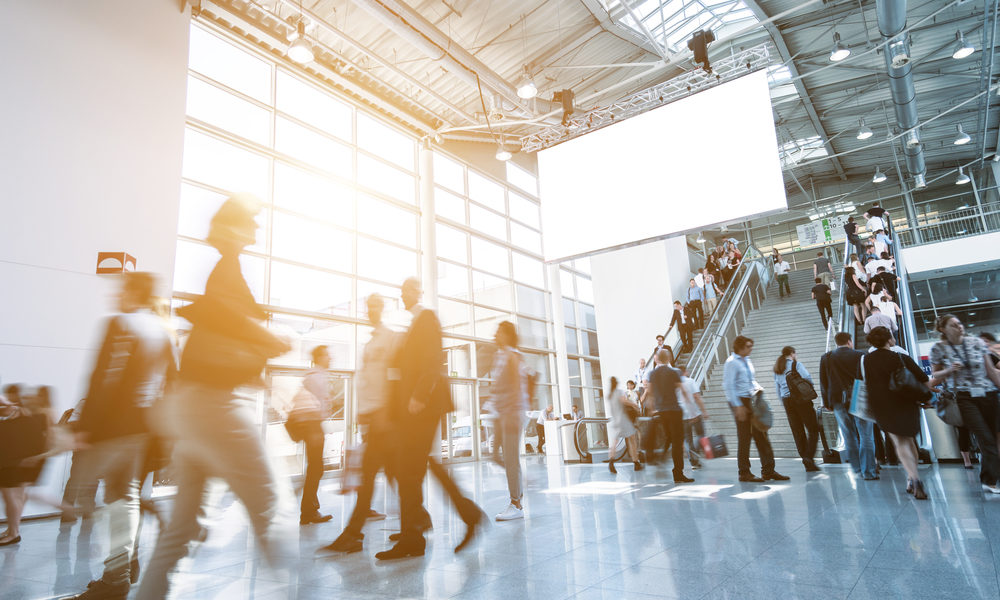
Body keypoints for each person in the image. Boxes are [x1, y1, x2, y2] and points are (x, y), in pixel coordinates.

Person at [137, 195, 293, 600]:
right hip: (212, 407)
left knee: (181, 531)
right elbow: (226, 316)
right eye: (252, 223)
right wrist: (271, 339)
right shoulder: (228, 269)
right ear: (235, 229)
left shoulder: (225, 270)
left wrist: (257, 373)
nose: (257, 230)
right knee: (272, 507)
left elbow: (220, 329)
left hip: (188, 412)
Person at [63, 272, 175, 599]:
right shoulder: (163, 332)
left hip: (111, 431)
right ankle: (119, 574)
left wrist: (84, 429)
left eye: (122, 290)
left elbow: (104, 380)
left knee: (90, 497)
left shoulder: (121, 325)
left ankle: (116, 576)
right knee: (122, 500)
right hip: (141, 432)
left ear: (134, 293)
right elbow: (172, 385)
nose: (116, 296)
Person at [376, 277, 483, 559]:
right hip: (413, 409)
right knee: (417, 466)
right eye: (400, 290)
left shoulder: (426, 318)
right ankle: (463, 515)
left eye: (407, 289)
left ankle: (415, 536)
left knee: (410, 469)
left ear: (417, 291)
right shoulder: (412, 324)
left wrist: (418, 396)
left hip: (422, 406)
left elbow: (433, 360)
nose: (402, 293)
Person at [323, 294, 397, 553]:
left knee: (372, 477)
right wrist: (363, 413)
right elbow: (367, 380)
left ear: (383, 308)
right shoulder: (371, 341)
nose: (371, 310)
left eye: (376, 306)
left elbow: (391, 378)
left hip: (382, 418)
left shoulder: (388, 339)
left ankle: (353, 534)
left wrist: (384, 413)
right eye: (369, 307)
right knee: (390, 475)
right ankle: (418, 519)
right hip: (372, 418)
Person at [863, 326, 935, 499]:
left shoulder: (865, 360)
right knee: (910, 441)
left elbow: (865, 383)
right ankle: (913, 477)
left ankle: (913, 478)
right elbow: (924, 380)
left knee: (899, 442)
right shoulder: (901, 358)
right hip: (906, 403)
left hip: (883, 406)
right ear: (890, 340)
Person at [930, 315, 1000, 494]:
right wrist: (949, 370)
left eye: (959, 323)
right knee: (986, 437)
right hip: (964, 397)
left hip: (988, 393)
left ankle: (990, 476)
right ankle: (989, 481)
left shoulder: (977, 343)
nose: (959, 327)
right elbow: (936, 376)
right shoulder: (939, 349)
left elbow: (991, 371)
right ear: (943, 329)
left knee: (993, 436)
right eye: (953, 325)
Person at [482, 321, 532, 520]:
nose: (495, 334)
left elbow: (516, 386)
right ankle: (519, 485)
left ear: (507, 335)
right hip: (501, 411)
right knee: (495, 455)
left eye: (499, 332)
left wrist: (511, 412)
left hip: (512, 411)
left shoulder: (513, 356)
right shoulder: (499, 356)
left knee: (510, 457)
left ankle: (516, 504)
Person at [722, 336, 788, 482]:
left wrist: (758, 388)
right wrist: (737, 406)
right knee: (744, 437)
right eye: (748, 346)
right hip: (740, 401)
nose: (751, 348)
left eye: (751, 345)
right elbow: (728, 386)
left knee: (762, 434)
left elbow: (750, 380)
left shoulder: (747, 359)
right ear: (740, 347)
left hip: (752, 398)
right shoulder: (731, 363)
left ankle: (768, 470)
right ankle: (744, 472)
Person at [820, 332, 877, 480]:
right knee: (866, 435)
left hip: (838, 400)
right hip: (859, 398)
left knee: (848, 435)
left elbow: (824, 382)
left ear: (836, 342)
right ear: (850, 341)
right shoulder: (861, 355)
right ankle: (869, 471)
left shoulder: (826, 357)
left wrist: (827, 402)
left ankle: (857, 468)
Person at [0, 385, 50, 547]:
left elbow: (35, 438)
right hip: (11, 461)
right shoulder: (17, 411)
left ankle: (13, 533)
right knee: (11, 497)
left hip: (13, 462)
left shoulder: (17, 411)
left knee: (11, 497)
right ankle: (11, 530)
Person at [289, 345, 333, 526]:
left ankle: (310, 509)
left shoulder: (312, 376)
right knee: (316, 468)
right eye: (328, 356)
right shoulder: (316, 378)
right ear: (320, 357)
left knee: (315, 467)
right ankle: (308, 511)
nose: (331, 359)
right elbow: (317, 404)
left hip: (313, 425)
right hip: (313, 425)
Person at [644, 349, 693, 483]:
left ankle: (661, 457)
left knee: (669, 437)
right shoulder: (674, 372)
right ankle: (678, 473)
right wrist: (691, 407)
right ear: (669, 358)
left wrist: (652, 410)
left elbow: (650, 394)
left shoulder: (652, 374)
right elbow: (682, 390)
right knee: (677, 442)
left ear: (658, 359)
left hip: (661, 412)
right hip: (674, 410)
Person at [773, 347, 821, 472]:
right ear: (792, 354)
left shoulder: (778, 368)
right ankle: (809, 457)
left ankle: (806, 459)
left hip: (787, 401)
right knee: (813, 429)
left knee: (798, 432)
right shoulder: (796, 365)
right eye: (795, 353)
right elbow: (808, 378)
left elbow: (778, 389)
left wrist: (784, 403)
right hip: (801, 400)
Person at [605, 377, 642, 474]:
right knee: (632, 440)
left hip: (615, 420)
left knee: (614, 443)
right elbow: (624, 401)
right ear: (616, 383)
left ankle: (611, 462)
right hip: (623, 420)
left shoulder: (609, 394)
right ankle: (636, 463)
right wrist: (635, 405)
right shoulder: (619, 392)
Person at [679, 365, 708, 471]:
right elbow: (696, 397)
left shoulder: (675, 385)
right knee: (701, 434)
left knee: (688, 439)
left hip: (682, 415)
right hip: (694, 413)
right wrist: (704, 411)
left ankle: (693, 461)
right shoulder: (690, 381)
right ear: (685, 372)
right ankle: (695, 452)